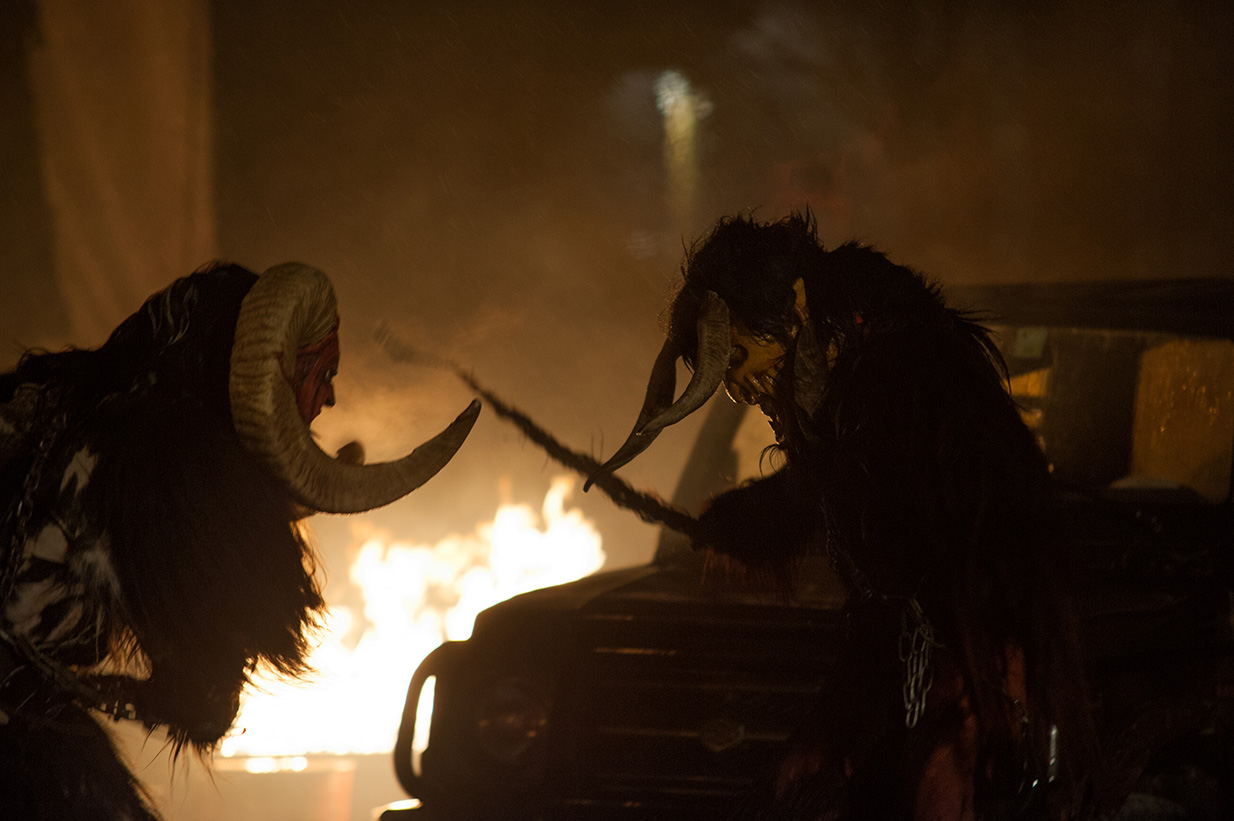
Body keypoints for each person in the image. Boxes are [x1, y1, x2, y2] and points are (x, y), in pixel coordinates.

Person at [589, 210, 1102, 819]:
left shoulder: (913, 382)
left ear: (793, 311)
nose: (738, 390)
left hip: (980, 686)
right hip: (918, 682)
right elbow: (852, 528)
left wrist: (970, 710)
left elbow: (993, 561)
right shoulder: (858, 394)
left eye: (736, 357)